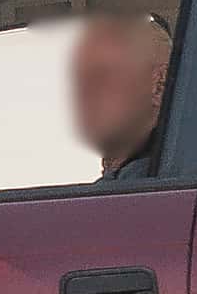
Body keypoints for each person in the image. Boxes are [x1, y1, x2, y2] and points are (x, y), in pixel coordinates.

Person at [68, 10, 171, 181]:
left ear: (159, 85)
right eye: (81, 79)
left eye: (101, 75)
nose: (83, 92)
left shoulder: (144, 185)